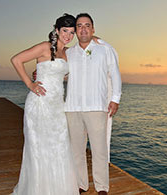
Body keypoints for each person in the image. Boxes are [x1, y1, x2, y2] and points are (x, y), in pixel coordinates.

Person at [10, 14, 80, 195]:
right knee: (39, 149)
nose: (68, 35)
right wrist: (30, 84)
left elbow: (61, 75)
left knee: (59, 147)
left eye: (72, 32)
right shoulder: (44, 47)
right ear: (56, 30)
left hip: (57, 107)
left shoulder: (67, 53)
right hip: (40, 105)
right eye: (65, 31)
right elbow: (16, 60)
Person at [65, 13, 122, 195]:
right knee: (76, 151)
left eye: (87, 25)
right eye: (79, 25)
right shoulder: (68, 53)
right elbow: (61, 73)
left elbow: (115, 74)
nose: (83, 29)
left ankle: (102, 187)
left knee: (99, 150)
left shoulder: (104, 50)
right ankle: (81, 184)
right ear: (76, 30)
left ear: (93, 29)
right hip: (72, 108)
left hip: (97, 107)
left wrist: (115, 99)